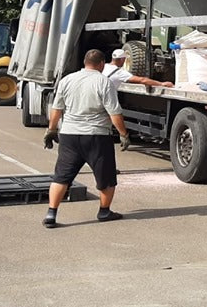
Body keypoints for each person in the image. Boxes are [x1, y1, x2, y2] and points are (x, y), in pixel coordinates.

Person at [42, 49, 132, 228]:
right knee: (106, 177)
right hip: (96, 136)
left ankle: (51, 214)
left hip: (69, 135)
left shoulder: (67, 80)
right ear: (102, 64)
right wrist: (124, 134)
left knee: (61, 176)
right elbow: (114, 113)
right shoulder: (104, 82)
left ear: (84, 62)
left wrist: (51, 130)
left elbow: (57, 108)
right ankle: (104, 211)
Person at [103, 48, 174, 88]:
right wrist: (161, 84)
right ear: (122, 59)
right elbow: (142, 80)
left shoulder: (103, 67)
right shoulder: (119, 73)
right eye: (125, 59)